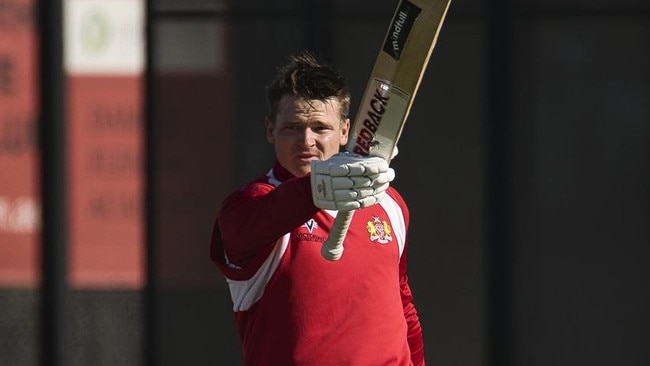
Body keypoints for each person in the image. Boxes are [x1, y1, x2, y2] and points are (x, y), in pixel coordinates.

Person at [210, 51, 425, 365]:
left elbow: (403, 303)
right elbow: (258, 221)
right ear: (270, 130)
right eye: (293, 128)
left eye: (320, 128)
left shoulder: (389, 203)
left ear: (344, 130)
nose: (306, 140)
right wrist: (320, 187)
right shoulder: (251, 205)